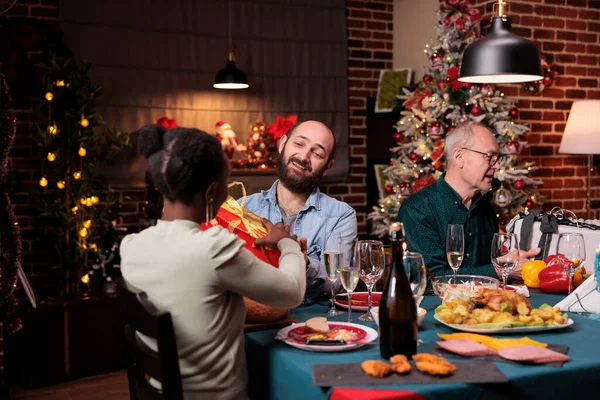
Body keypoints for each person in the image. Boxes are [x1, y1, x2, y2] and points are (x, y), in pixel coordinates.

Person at [120, 125, 306, 399]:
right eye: (226, 186)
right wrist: (286, 242)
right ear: (210, 192)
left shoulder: (131, 246)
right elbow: (292, 291)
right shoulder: (215, 248)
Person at [398, 122, 539, 280]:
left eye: (497, 158)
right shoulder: (418, 210)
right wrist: (499, 269)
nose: (497, 165)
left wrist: (513, 263)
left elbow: (490, 267)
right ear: (459, 157)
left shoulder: (485, 209)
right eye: (489, 157)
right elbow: (430, 280)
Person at [243, 120, 357, 301]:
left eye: (317, 153)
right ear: (282, 144)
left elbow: (338, 284)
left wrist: (303, 263)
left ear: (327, 167)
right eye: (299, 144)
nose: (304, 157)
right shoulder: (243, 208)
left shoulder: (341, 215)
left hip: (313, 322)